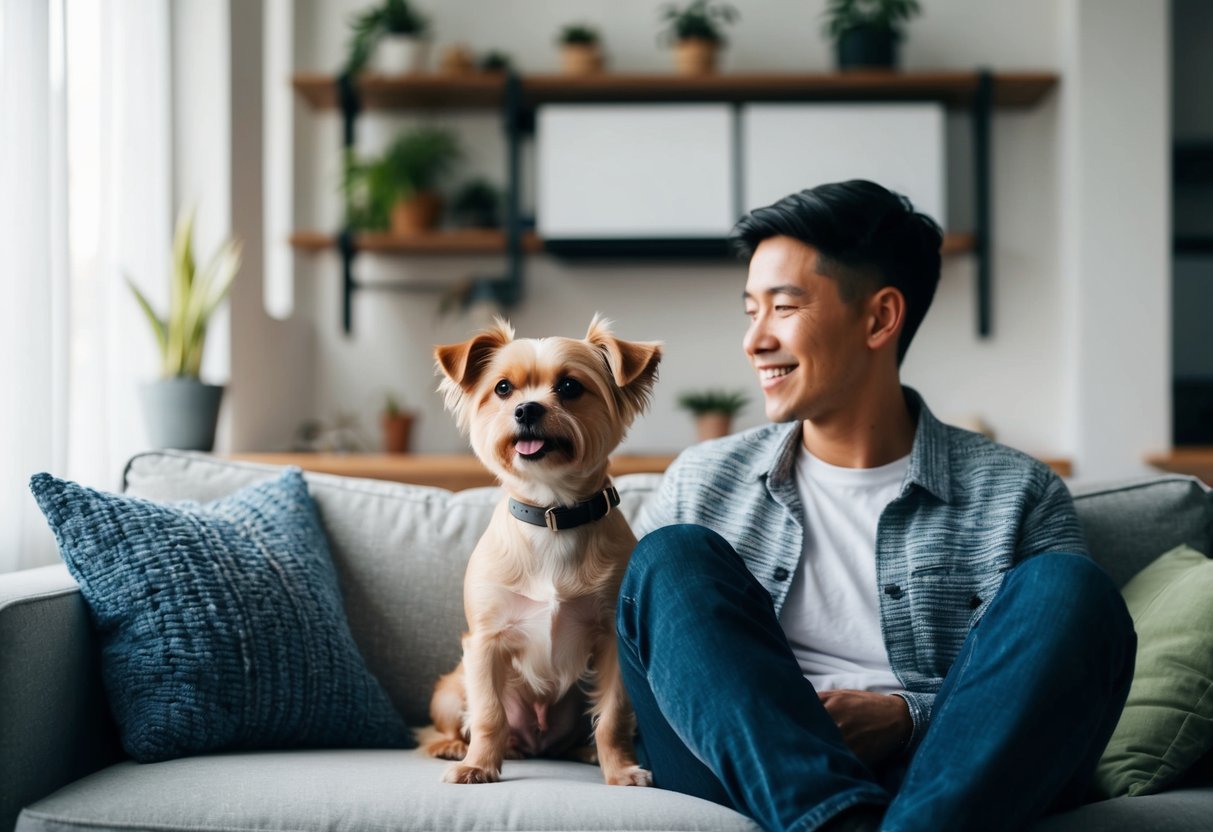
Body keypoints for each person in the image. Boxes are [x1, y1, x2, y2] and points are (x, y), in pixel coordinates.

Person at [616, 180, 1136, 832]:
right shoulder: (702, 481)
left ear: (880, 318)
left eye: (783, 307)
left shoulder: (1017, 493)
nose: (754, 341)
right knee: (669, 557)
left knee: (1070, 589)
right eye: (750, 311)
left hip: (946, 775)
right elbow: (631, 665)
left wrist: (906, 717)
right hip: (746, 769)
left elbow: (1047, 691)